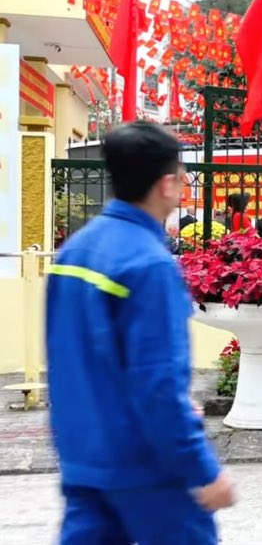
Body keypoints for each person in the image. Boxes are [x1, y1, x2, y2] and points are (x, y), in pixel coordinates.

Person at [46, 122, 235, 543]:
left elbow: (64, 359)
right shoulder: (149, 264)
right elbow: (159, 387)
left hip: (82, 458)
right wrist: (203, 471)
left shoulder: (72, 253)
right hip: (146, 468)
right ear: (167, 184)